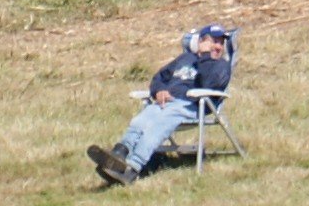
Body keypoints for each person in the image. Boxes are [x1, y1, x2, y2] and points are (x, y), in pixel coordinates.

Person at [90, 27, 230, 186]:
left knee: (155, 129)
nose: (218, 47)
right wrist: (159, 91)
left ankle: (132, 169)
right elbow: (160, 76)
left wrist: (206, 57)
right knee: (140, 121)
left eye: (221, 43)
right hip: (166, 102)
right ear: (200, 42)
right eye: (214, 42)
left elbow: (210, 84)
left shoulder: (221, 66)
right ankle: (119, 154)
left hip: (191, 105)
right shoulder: (185, 58)